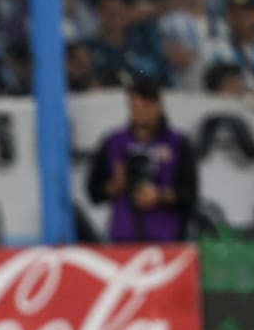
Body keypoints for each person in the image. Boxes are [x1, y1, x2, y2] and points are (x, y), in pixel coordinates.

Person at [85, 78, 199, 243]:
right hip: (122, 239)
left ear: (158, 105)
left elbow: (190, 195)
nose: (142, 113)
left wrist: (159, 195)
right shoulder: (113, 142)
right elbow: (93, 192)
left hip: (168, 240)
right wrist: (116, 184)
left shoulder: (178, 143)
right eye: (136, 107)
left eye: (147, 106)